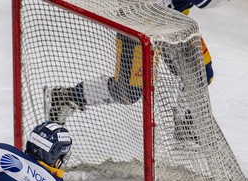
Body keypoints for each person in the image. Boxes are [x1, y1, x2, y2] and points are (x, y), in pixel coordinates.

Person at [44, 0, 229, 138]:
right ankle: (66, 97)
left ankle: (185, 123)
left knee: (201, 72)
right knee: (129, 92)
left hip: (173, 22)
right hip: (139, 20)